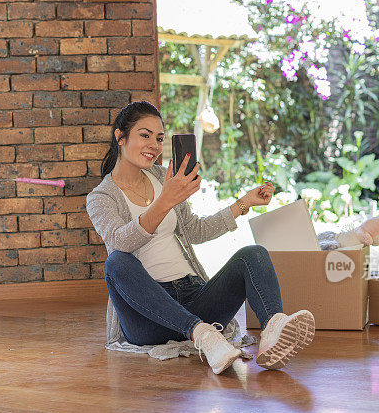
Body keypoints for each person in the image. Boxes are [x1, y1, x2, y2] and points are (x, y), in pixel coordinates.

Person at [86, 101, 315, 374]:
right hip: (148, 316)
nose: (154, 145)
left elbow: (195, 230)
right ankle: (203, 337)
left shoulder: (163, 177)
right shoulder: (101, 197)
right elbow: (121, 241)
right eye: (144, 135)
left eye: (159, 138)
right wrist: (165, 201)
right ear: (120, 137)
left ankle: (273, 333)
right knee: (116, 263)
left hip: (194, 297)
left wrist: (243, 203)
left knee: (253, 254)